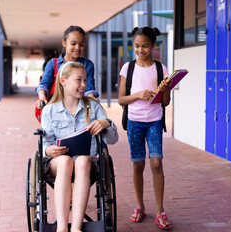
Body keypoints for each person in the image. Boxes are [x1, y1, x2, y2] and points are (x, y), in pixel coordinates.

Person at [41, 62, 118, 232]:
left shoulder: (93, 106)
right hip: (58, 164)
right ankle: (62, 227)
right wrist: (48, 150)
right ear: (63, 81)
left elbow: (113, 139)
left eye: (85, 80)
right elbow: (44, 145)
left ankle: (76, 228)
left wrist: (106, 123)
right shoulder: (50, 111)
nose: (84, 85)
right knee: (65, 162)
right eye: (79, 80)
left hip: (87, 163)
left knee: (82, 160)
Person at [118, 27, 172, 230]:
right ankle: (139, 206)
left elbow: (165, 102)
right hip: (134, 122)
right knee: (138, 165)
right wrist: (138, 95)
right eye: (137, 46)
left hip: (155, 121)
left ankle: (160, 211)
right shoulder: (128, 68)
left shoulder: (161, 69)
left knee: (156, 163)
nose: (140, 50)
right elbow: (121, 99)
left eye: (145, 46)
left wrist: (165, 91)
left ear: (153, 46)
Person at [35, 25, 98, 109]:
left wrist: (91, 98)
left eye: (81, 45)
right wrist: (42, 98)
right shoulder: (53, 64)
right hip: (56, 109)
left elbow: (89, 88)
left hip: (78, 109)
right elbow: (43, 85)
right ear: (64, 43)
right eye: (73, 43)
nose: (77, 48)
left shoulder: (87, 65)